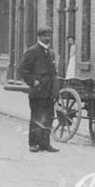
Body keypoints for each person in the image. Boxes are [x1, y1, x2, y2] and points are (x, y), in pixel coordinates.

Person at [18, 25, 59, 153]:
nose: (48, 37)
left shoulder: (51, 53)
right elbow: (23, 69)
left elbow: (53, 73)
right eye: (45, 35)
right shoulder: (33, 51)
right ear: (39, 37)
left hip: (48, 92)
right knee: (37, 117)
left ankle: (45, 144)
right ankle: (33, 144)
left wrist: (54, 91)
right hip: (37, 91)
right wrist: (32, 81)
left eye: (49, 35)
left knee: (48, 117)